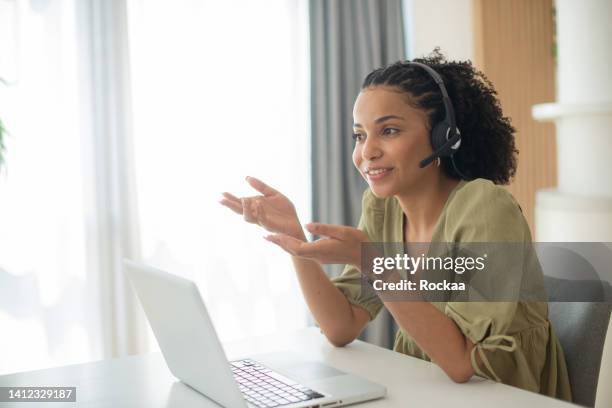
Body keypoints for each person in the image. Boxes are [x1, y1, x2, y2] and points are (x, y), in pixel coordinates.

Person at [219, 50, 571, 401]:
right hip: (424, 388)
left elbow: (465, 363)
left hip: (501, 395)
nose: (367, 152)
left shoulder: (485, 208)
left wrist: (372, 263)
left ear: (443, 136)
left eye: (388, 130)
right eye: (359, 136)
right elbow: (341, 326)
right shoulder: (382, 207)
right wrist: (295, 240)